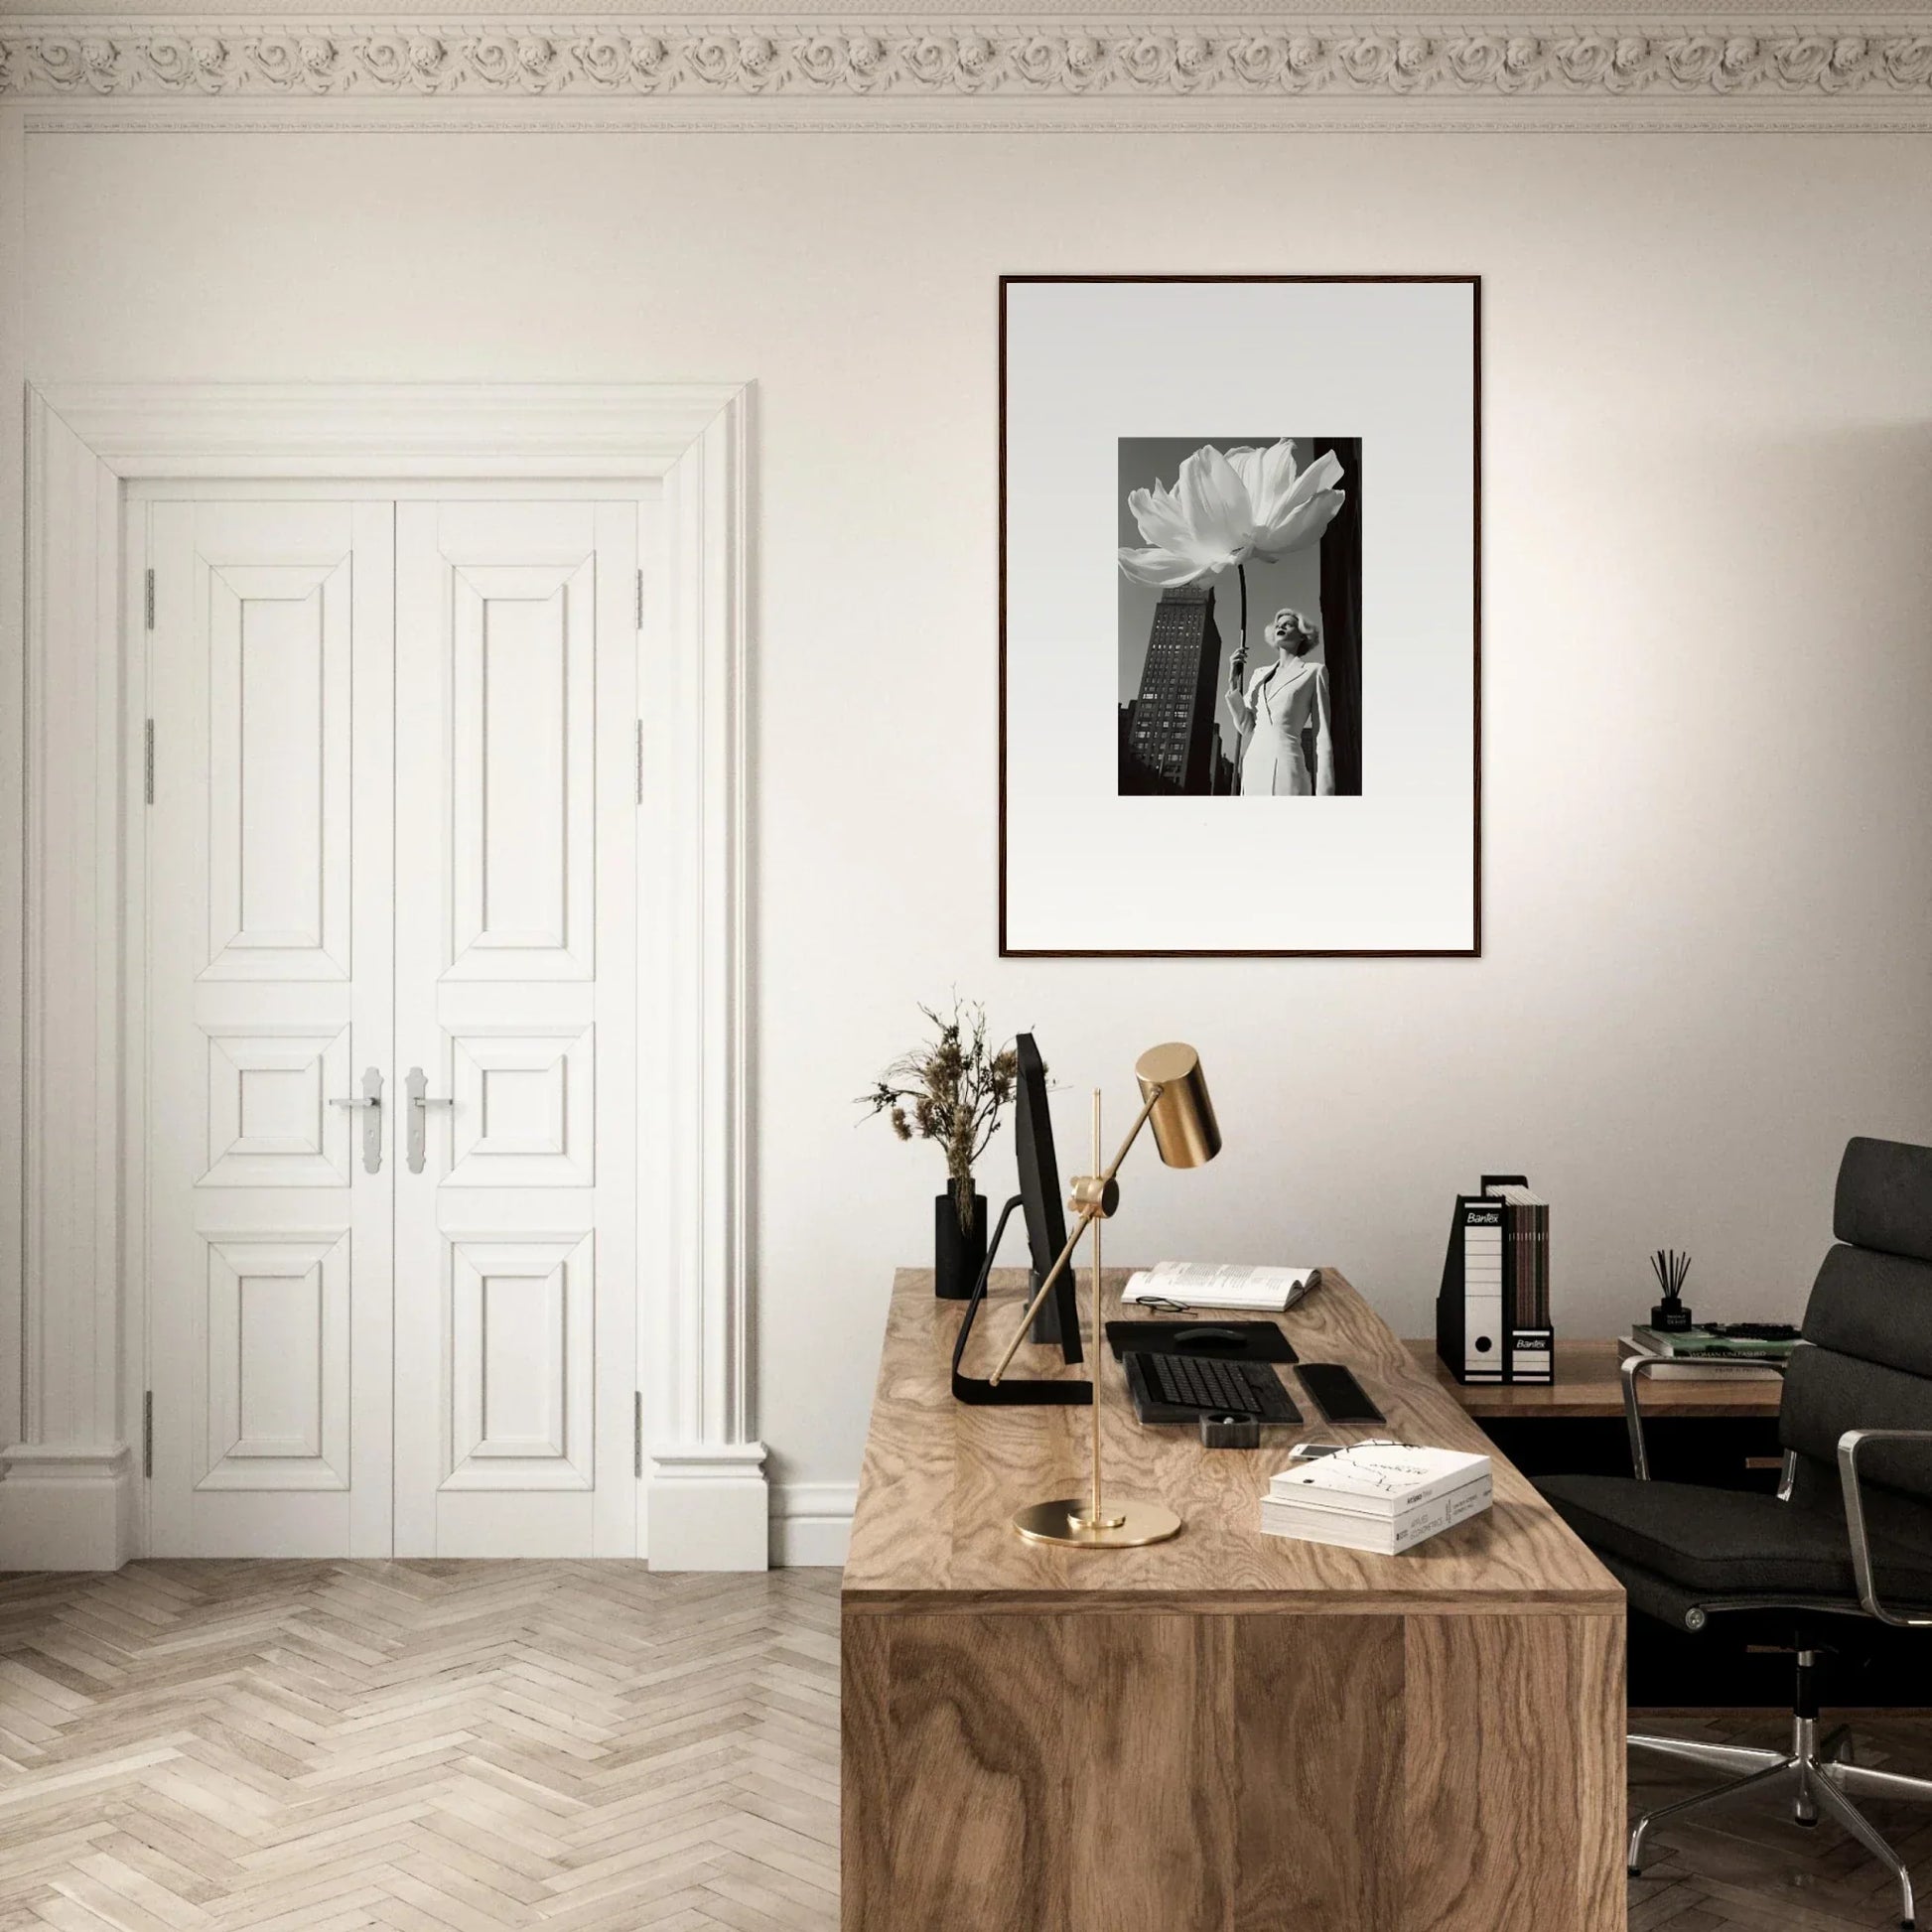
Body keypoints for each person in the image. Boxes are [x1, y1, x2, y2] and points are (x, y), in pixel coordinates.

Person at [1224, 607, 1334, 796]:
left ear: (1302, 635)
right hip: (1252, 769)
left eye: (1288, 624)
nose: (1281, 627)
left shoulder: (1314, 671)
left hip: (1287, 770)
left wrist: (1325, 793)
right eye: (1278, 625)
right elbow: (1246, 727)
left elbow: (1321, 736)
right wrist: (1233, 683)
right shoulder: (1259, 674)